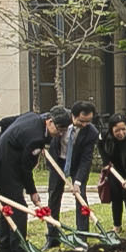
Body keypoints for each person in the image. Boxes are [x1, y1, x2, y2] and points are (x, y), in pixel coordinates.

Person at [0, 107, 73, 252]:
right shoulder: (35, 138)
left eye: (64, 131)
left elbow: (7, 122)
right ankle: (19, 250)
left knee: (7, 208)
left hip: (3, 163)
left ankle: (4, 250)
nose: (60, 134)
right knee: (19, 209)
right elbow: (26, 168)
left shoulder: (33, 117)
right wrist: (32, 191)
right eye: (60, 129)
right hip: (7, 169)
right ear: (50, 122)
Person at [45, 100, 100, 236]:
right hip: (58, 161)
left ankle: (82, 234)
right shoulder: (61, 120)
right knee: (54, 196)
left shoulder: (91, 133)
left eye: (88, 121)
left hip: (77, 164)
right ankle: (53, 235)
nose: (85, 124)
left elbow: (86, 159)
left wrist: (78, 182)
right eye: (81, 121)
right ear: (73, 116)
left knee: (81, 197)